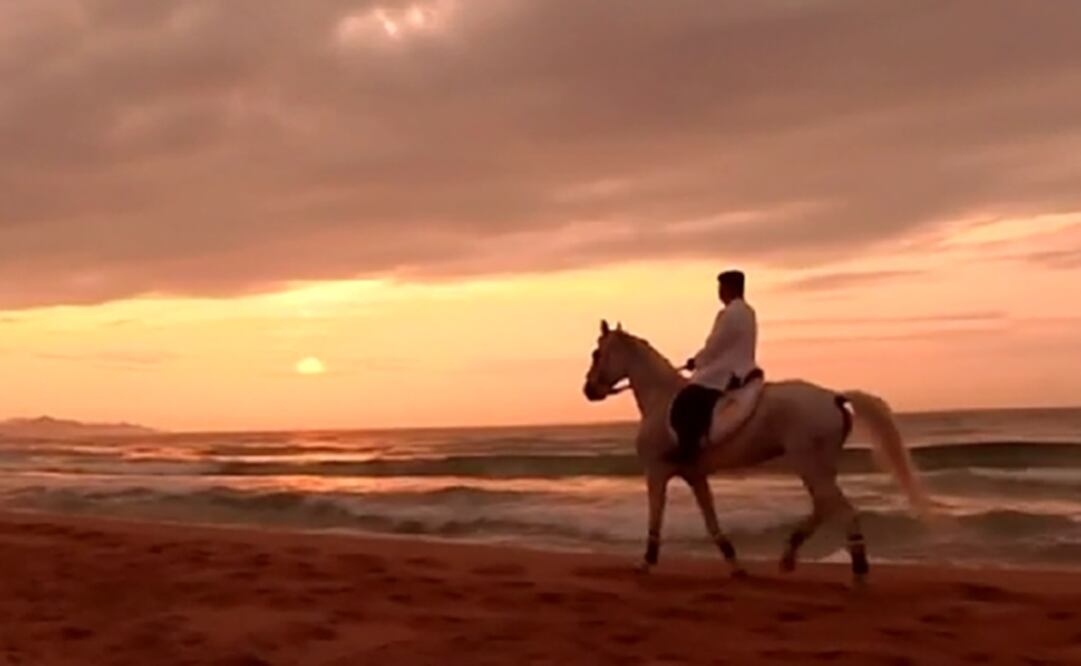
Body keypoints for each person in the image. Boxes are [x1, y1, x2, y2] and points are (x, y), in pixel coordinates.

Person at [668, 270, 762, 464]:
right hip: (744, 364)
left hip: (728, 370)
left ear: (728, 289)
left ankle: (689, 451)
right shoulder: (748, 311)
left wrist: (697, 361)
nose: (719, 292)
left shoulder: (728, 313)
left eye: (721, 288)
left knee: (686, 401)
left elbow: (715, 344)